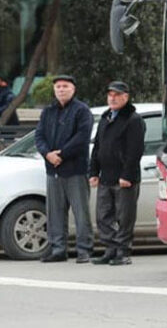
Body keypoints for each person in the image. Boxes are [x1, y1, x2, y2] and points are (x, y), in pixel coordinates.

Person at [34, 75, 94, 263]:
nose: (61, 89)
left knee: (81, 213)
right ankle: (58, 248)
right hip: (53, 170)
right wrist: (48, 154)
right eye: (58, 86)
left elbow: (82, 137)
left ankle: (84, 249)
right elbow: (39, 136)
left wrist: (62, 154)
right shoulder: (48, 112)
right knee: (55, 213)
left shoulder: (82, 111)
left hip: (75, 169)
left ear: (73, 89)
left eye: (65, 86)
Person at [89, 81, 146, 266]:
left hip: (124, 178)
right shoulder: (106, 117)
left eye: (116, 95)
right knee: (103, 215)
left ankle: (123, 251)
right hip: (106, 176)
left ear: (125, 97)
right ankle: (110, 249)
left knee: (124, 216)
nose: (112, 98)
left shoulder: (133, 119)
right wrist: (93, 171)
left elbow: (135, 150)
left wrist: (127, 175)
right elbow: (97, 146)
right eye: (110, 95)